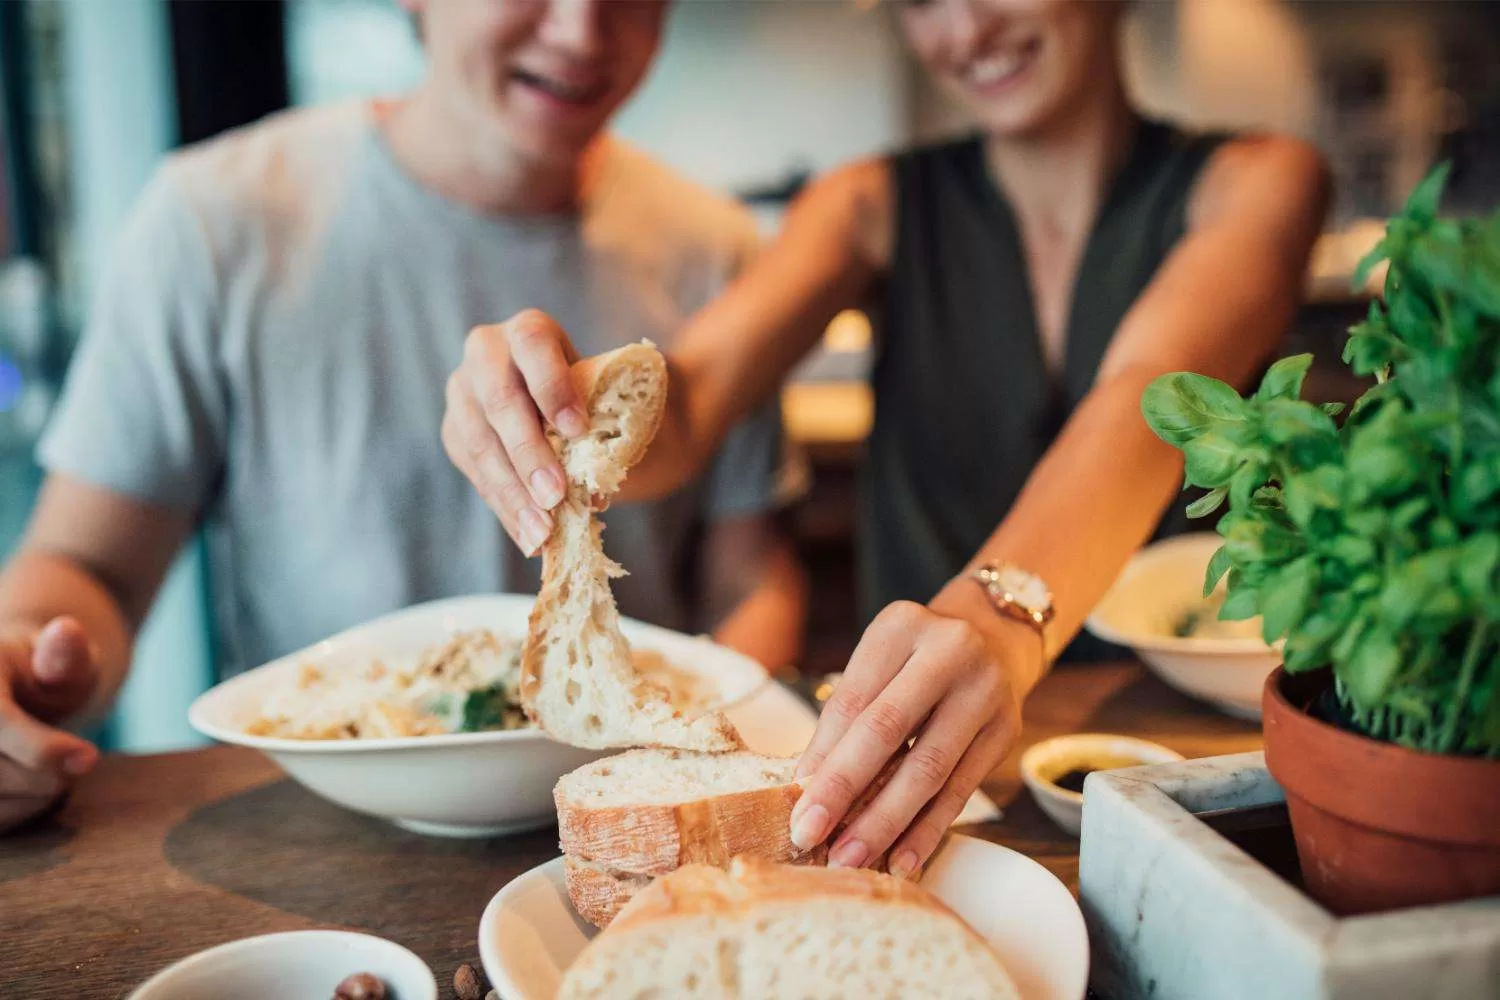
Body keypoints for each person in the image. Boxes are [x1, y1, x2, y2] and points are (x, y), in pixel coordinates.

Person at [444, 0, 1329, 881]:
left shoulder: (1260, 179)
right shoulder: (865, 200)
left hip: (1189, 751)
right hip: (905, 763)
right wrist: (559, 399)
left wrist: (992, 622)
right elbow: (693, 401)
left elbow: (1149, 394)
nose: (965, 30)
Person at [0, 0, 808, 833]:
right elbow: (87, 564)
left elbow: (749, 578)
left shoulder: (715, 246)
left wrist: (726, 747)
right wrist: (24, 655)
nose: (581, 32)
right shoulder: (214, 219)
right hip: (320, 833)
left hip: (632, 817)